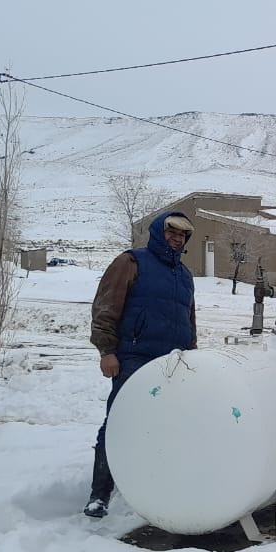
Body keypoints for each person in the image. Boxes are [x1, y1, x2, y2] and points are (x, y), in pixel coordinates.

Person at [84, 212, 197, 518]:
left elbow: (189, 319)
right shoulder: (132, 262)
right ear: (160, 232)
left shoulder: (184, 275)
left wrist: (193, 355)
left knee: (165, 425)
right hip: (134, 359)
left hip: (172, 363)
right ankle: (100, 493)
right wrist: (107, 351)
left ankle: (152, 483)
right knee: (120, 422)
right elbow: (105, 308)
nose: (177, 238)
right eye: (172, 232)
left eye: (182, 236)